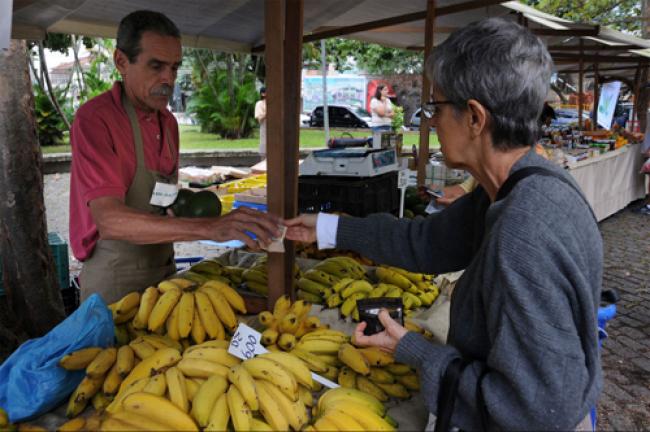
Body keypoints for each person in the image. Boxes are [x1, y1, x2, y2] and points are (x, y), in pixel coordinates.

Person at [286, 18, 601, 431]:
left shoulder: (524, 231)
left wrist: (412, 349)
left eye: (435, 107)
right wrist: (330, 229)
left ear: (474, 117)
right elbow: (430, 242)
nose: (430, 121)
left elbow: (537, 411)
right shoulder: (522, 186)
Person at [69, 10, 280, 304]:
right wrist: (209, 228)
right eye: (156, 66)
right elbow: (110, 220)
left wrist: (198, 205)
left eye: (174, 68)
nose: (168, 79)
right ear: (121, 61)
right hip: (114, 277)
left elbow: (162, 199)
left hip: (164, 269)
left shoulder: (167, 124)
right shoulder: (96, 119)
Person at [254, 87, 267, 159]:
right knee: (264, 151)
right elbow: (259, 118)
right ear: (262, 94)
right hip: (264, 128)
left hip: (275, 129)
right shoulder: (259, 104)